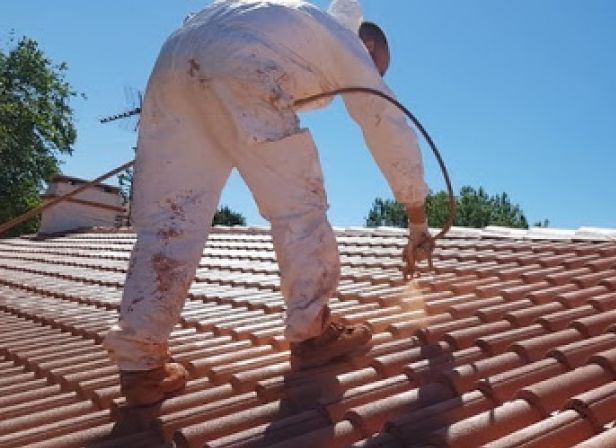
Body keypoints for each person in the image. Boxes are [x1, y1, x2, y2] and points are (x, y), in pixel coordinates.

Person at [103, 0, 432, 406]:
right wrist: (417, 219)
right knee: (298, 204)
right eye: (376, 68)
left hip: (175, 63)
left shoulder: (292, 21)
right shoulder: (345, 43)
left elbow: (209, 51)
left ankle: (140, 367)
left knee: (171, 220)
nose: (370, 77)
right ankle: (312, 332)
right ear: (367, 49)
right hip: (242, 63)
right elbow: (385, 122)